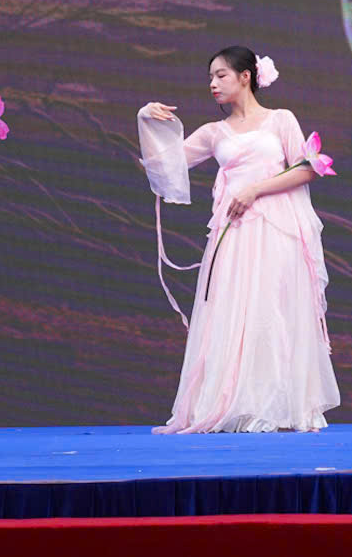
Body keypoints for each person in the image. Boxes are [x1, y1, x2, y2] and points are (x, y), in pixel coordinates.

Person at [139, 46, 339, 433]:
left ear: (246, 76)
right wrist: (145, 121)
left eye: (221, 75)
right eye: (210, 78)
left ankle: (278, 404)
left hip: (277, 229)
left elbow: (306, 169)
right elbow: (161, 167)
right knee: (234, 313)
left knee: (274, 311)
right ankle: (238, 402)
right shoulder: (214, 133)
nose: (213, 84)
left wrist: (254, 190)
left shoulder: (281, 120)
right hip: (235, 232)